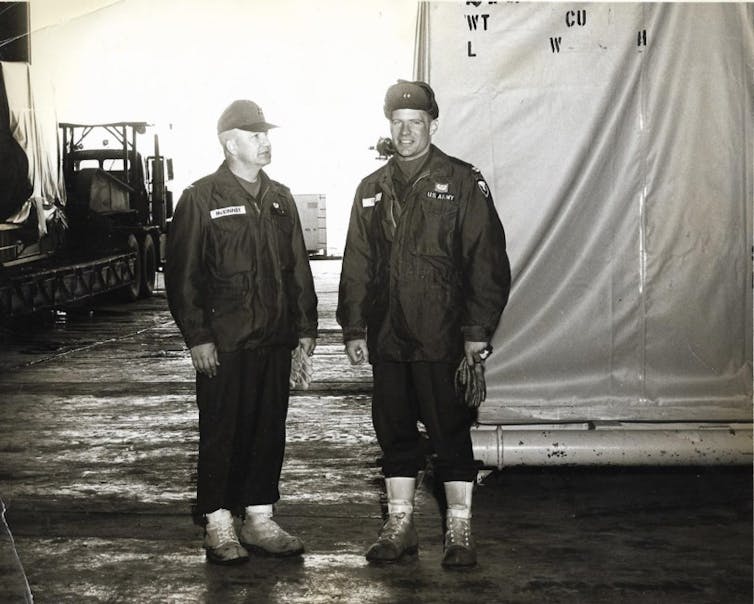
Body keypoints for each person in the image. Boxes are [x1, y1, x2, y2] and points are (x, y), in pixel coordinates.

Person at [337, 80, 511, 568]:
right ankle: (400, 525)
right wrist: (354, 328)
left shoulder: (460, 181)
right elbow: (357, 263)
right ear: (388, 128)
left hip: (443, 335)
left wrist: (477, 331)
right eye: (398, 123)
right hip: (388, 336)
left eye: (415, 123)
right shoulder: (371, 189)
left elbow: (487, 260)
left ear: (432, 125)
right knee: (393, 433)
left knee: (449, 431)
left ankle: (459, 531)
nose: (406, 131)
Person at [165, 99, 318, 565]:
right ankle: (217, 525)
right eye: (255, 136)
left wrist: (305, 330)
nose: (265, 142)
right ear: (231, 143)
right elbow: (182, 275)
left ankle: (258, 518)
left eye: (266, 134)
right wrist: (198, 336)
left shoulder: (280, 198)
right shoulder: (201, 198)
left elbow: (299, 270)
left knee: (268, 430)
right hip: (225, 344)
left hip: (273, 338)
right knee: (222, 432)